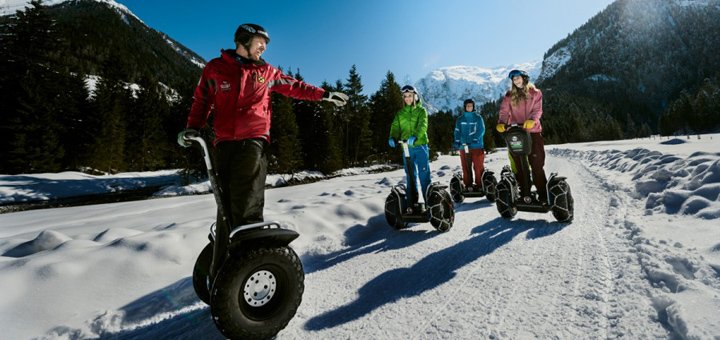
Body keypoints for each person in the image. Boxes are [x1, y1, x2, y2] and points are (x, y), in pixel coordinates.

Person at [177, 23, 348, 228]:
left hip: (253, 140)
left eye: (266, 44)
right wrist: (193, 127)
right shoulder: (216, 68)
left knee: (247, 196)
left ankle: (251, 243)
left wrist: (325, 95)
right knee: (226, 199)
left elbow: (295, 87)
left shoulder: (267, 72)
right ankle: (228, 245)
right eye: (261, 42)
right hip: (223, 142)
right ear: (244, 41)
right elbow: (202, 100)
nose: (264, 47)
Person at [496, 69, 548, 204]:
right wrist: (502, 123)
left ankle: (543, 194)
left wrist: (533, 120)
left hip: (533, 132)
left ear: (525, 78)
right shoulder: (509, 95)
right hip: (517, 133)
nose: (516, 81)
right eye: (514, 79)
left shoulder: (535, 93)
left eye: (518, 78)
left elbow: (538, 110)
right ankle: (523, 193)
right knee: (519, 164)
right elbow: (504, 111)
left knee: (536, 164)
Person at [388, 85, 431, 208]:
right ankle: (412, 204)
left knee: (424, 174)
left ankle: (429, 203)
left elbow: (423, 125)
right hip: (406, 148)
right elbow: (395, 127)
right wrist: (392, 137)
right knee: (410, 175)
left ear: (415, 96)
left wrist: (416, 136)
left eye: (410, 96)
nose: (407, 98)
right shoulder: (400, 113)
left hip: (420, 146)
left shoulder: (421, 111)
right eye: (405, 96)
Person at [453, 99, 486, 191]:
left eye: (471, 106)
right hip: (463, 147)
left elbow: (481, 130)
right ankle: (468, 185)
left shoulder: (478, 118)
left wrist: (476, 138)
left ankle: (480, 185)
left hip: (476, 146)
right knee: (465, 167)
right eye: (467, 106)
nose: (469, 107)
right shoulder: (460, 119)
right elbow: (457, 131)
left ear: (473, 107)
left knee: (478, 166)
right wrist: (457, 140)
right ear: (465, 107)